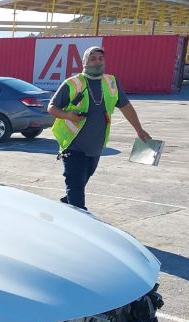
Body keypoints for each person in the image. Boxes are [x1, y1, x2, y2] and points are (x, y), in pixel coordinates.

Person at [47, 46, 151, 210]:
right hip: (73, 146)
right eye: (92, 58)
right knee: (77, 191)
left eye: (100, 58)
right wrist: (68, 115)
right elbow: (51, 108)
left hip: (95, 146)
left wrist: (139, 129)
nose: (97, 62)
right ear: (84, 62)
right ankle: (79, 224)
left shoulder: (111, 82)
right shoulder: (73, 83)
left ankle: (67, 205)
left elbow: (126, 107)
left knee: (79, 185)